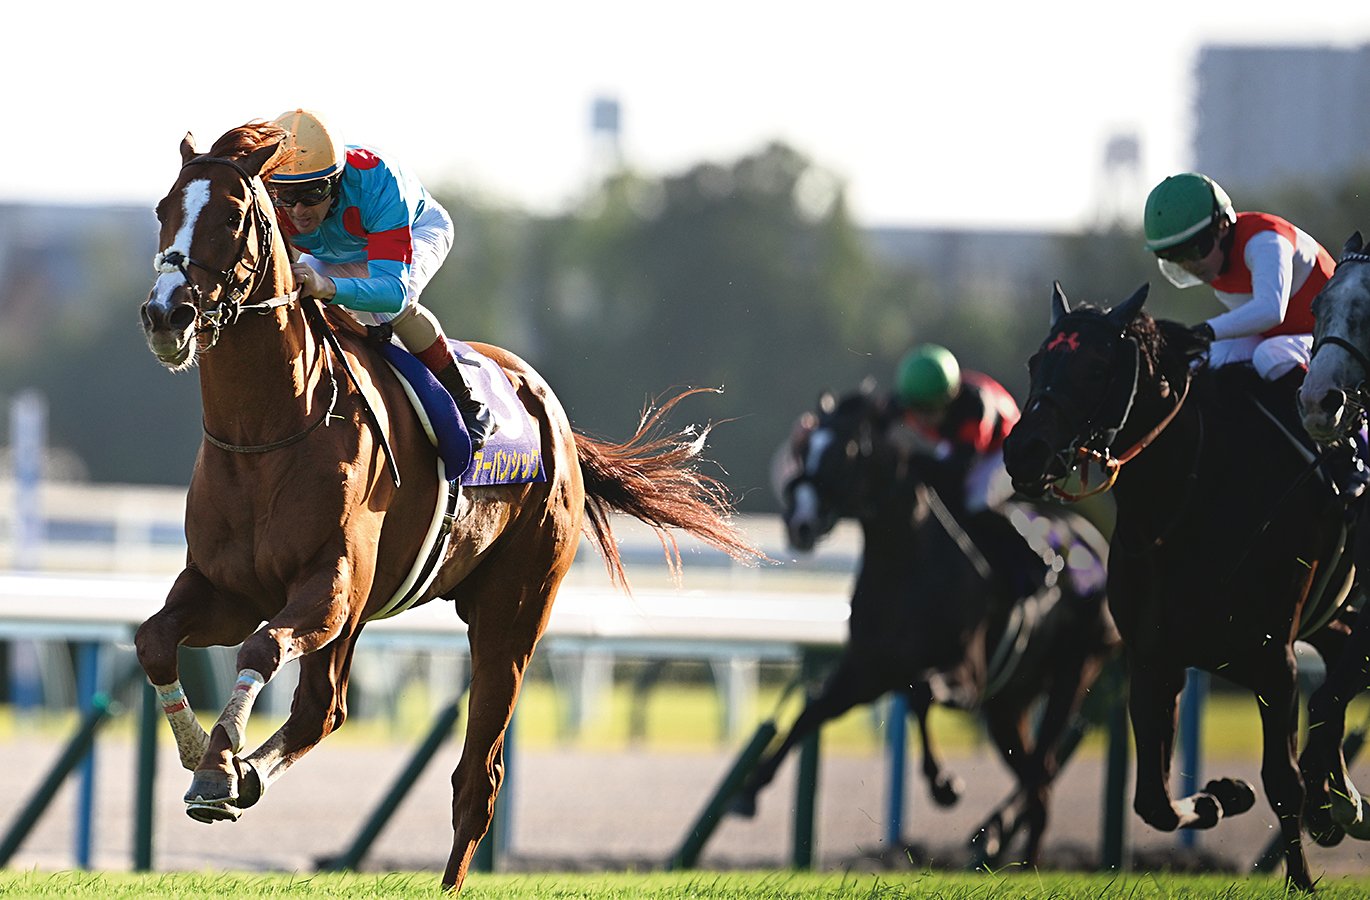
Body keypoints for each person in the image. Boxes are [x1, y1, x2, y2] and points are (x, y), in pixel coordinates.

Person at [266, 108, 494, 452]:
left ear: (336, 181)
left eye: (312, 194)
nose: (297, 211)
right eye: (287, 196)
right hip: (337, 251)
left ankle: (468, 403)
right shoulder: (269, 194)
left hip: (415, 231)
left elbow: (392, 292)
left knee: (393, 310)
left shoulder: (377, 182)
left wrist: (328, 287)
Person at [1142, 171, 1365, 496]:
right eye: (1177, 256)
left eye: (1196, 249)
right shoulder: (1215, 259)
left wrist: (1203, 330)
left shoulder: (1265, 240)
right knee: (1208, 359)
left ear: (1222, 226)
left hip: (1329, 339)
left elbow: (1268, 310)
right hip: (1285, 336)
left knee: (1269, 357)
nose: (1191, 265)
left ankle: (1343, 454)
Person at [892, 344, 1043, 598]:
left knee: (974, 502)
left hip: (1003, 450)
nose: (922, 418)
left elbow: (957, 472)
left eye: (929, 410)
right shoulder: (911, 396)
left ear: (951, 396)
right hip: (961, 446)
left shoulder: (975, 409)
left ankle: (1034, 560)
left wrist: (911, 459)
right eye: (917, 409)